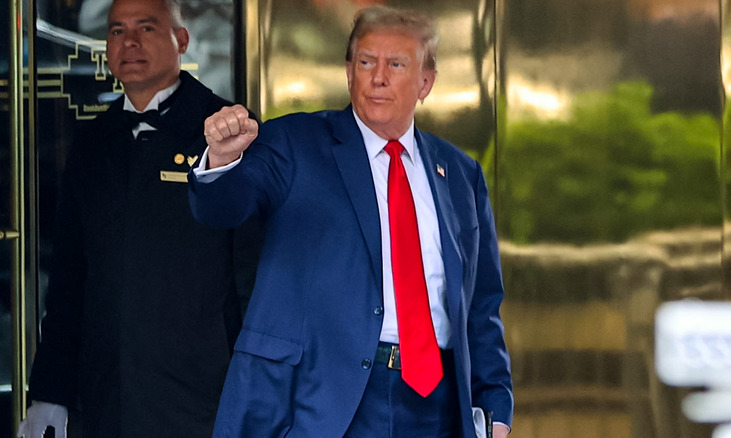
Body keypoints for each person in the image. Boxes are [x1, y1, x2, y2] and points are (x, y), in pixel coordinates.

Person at [190, 5, 513, 438]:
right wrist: (222, 160)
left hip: (436, 403)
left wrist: (495, 403)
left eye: (396, 64)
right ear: (349, 72)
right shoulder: (295, 144)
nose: (378, 77)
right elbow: (220, 208)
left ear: (426, 82)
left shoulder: (459, 174)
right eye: (366, 62)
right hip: (323, 398)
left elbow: (481, 303)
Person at [17, 0, 261, 437]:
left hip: (203, 396)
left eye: (146, 29)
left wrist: (259, 391)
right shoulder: (93, 142)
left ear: (182, 40)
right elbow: (70, 280)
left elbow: (254, 276)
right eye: (116, 31)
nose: (129, 42)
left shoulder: (226, 132)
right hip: (106, 395)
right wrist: (50, 392)